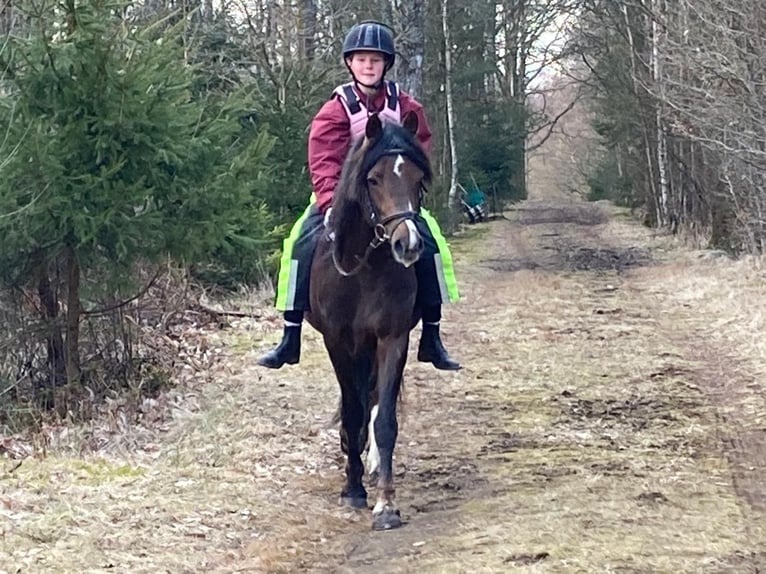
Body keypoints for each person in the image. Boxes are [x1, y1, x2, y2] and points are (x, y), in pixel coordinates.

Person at [257, 20, 461, 371]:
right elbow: (322, 160)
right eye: (362, 59)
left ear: (386, 64)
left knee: (432, 245)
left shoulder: (406, 106)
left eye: (376, 60)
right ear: (350, 63)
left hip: (394, 201)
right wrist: (329, 202)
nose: (369, 66)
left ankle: (432, 334)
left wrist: (411, 186)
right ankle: (290, 336)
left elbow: (420, 146)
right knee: (298, 243)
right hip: (342, 199)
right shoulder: (336, 110)